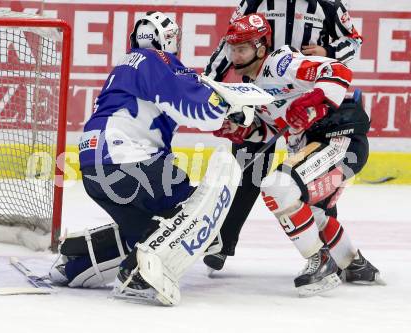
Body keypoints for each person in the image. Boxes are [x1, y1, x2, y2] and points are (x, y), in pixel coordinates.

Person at [48, 11, 258, 301]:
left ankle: (76, 261)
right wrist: (230, 108)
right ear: (167, 39)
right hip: (127, 159)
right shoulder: (157, 61)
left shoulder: (126, 64)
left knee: (151, 231)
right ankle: (138, 275)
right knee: (191, 204)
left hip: (95, 167)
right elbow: (192, 102)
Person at [213, 12, 379, 295]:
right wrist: (243, 132)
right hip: (324, 146)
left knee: (278, 187)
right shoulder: (253, 89)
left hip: (339, 138)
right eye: (232, 49)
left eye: (242, 48)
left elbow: (338, 71)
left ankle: (320, 261)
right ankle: (354, 263)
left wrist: (316, 99)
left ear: (261, 47)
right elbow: (271, 130)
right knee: (310, 213)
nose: (235, 56)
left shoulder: (281, 63)